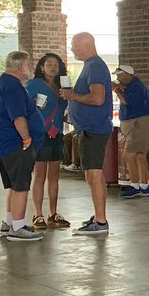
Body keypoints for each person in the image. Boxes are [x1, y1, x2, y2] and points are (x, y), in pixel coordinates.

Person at [59, 32, 113, 236]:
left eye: (74, 46)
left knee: (93, 174)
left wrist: (72, 95)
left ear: (87, 45)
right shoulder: (91, 66)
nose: (72, 50)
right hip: (90, 129)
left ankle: (100, 221)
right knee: (93, 174)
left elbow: (98, 99)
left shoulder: (95, 66)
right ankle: (99, 216)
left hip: (94, 129)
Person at [0, 51, 47, 241]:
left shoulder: (6, 83)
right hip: (15, 144)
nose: (32, 68)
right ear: (21, 66)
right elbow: (18, 117)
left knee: (14, 186)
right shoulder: (12, 86)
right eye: (30, 64)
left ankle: (10, 223)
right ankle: (18, 227)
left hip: (6, 143)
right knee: (21, 185)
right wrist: (26, 139)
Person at [25, 53, 70, 229]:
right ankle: (38, 214)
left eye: (56, 65)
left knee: (54, 176)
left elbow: (65, 108)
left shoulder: (62, 87)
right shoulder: (34, 85)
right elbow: (26, 107)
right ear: (42, 67)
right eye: (49, 64)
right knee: (40, 176)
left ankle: (53, 213)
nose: (53, 68)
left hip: (57, 133)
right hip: (41, 134)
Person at [113, 64, 149, 199]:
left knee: (128, 155)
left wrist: (115, 89)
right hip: (138, 123)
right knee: (139, 155)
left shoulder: (136, 86)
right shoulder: (132, 86)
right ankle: (143, 186)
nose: (118, 78)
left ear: (129, 74)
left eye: (120, 76)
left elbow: (126, 100)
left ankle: (135, 186)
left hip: (139, 124)